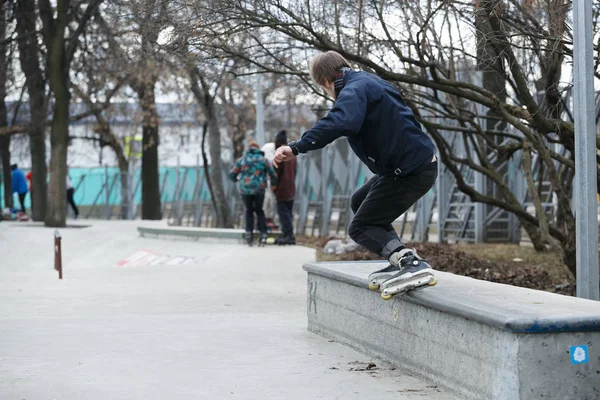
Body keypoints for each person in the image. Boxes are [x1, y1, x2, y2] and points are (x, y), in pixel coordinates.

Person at [273, 51, 438, 297]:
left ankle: (411, 264)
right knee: (360, 202)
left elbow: (341, 121)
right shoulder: (368, 81)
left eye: (325, 90)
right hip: (410, 165)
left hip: (409, 170)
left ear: (326, 81)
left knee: (360, 227)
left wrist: (296, 147)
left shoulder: (353, 89)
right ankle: (400, 259)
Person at [230, 141, 278, 246]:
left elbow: (232, 174)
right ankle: (263, 234)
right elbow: (272, 174)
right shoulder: (263, 160)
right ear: (258, 149)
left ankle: (249, 234)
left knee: (249, 210)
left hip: (245, 189)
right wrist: (273, 184)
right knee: (259, 210)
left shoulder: (242, 160)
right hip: (259, 189)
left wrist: (237, 180)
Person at [272, 130, 297, 245]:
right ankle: (287, 234)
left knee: (283, 213)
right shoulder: (291, 153)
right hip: (291, 187)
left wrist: (274, 186)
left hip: (282, 188)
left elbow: (277, 172)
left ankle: (288, 235)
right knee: (288, 212)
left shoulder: (280, 153)